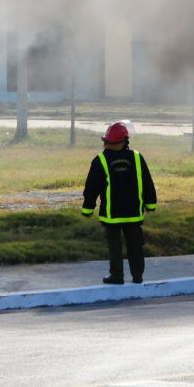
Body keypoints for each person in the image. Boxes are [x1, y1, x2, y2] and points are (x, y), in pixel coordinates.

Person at [82, 121, 157, 284]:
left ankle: (117, 276)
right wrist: (151, 204)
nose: (105, 145)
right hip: (133, 214)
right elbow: (148, 183)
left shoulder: (100, 160)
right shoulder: (137, 158)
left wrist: (87, 209)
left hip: (112, 215)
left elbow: (91, 187)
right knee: (135, 246)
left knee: (114, 247)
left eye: (107, 142)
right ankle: (137, 276)